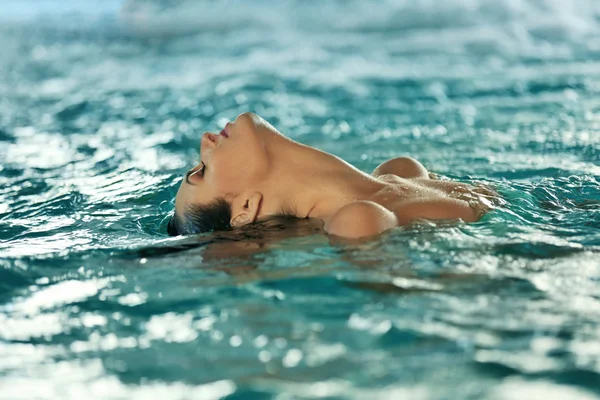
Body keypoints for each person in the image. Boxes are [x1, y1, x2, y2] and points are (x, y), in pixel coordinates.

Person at [167, 112, 496, 239]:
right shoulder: (358, 222)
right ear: (245, 208)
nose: (205, 143)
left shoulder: (400, 171)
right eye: (203, 171)